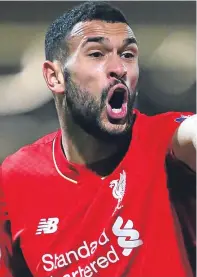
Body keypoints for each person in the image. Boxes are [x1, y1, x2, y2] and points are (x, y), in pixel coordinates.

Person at [0, 2, 196, 277]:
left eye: (128, 54)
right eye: (96, 54)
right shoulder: (15, 180)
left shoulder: (162, 141)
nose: (119, 67)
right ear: (55, 77)